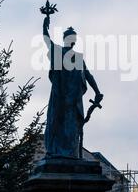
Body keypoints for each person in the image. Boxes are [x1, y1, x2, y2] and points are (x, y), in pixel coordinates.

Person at [43, 15, 103, 158]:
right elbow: (46, 39)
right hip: (60, 96)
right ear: (65, 39)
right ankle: (54, 152)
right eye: (70, 38)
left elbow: (87, 74)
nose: (72, 41)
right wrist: (45, 24)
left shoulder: (78, 57)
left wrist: (97, 92)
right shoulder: (58, 52)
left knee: (72, 128)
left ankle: (70, 155)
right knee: (56, 123)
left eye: (74, 39)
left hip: (73, 98)